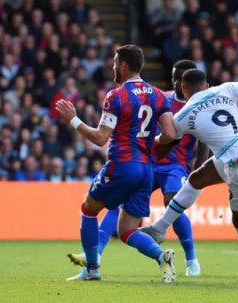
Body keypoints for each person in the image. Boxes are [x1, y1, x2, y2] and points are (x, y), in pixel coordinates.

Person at [140, 51, 238, 280]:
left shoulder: (183, 115)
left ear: (183, 90)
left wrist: (144, 142)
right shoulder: (225, 88)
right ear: (206, 85)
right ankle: (159, 228)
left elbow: (162, 145)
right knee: (196, 179)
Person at [67, 60, 209, 276]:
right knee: (123, 220)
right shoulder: (162, 96)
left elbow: (201, 141)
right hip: (149, 163)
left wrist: (198, 173)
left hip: (172, 166)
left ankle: (192, 259)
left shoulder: (198, 107)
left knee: (172, 203)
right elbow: (168, 133)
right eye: (173, 75)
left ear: (187, 82)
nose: (175, 80)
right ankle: (104, 255)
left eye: (180, 76)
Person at [56, 45, 177, 282]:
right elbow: (170, 134)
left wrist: (73, 120)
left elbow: (101, 137)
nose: (112, 66)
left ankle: (91, 269)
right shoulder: (159, 95)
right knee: (127, 231)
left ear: (123, 65)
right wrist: (145, 143)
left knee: (88, 209)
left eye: (114, 62)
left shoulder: (116, 95)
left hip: (122, 165)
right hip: (146, 169)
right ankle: (162, 257)